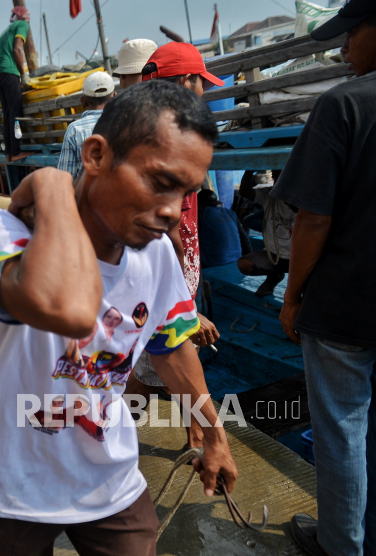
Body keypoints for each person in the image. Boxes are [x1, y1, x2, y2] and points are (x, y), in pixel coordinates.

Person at [0, 81, 237, 556]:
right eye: (160, 182)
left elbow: (171, 348)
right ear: (96, 156)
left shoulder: (157, 254)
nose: (171, 212)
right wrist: (53, 184)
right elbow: (66, 309)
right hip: (6, 485)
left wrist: (214, 435)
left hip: (108, 476)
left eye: (184, 192)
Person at [270, 3, 376, 554]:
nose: (343, 49)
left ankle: (341, 545)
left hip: (345, 308)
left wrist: (292, 296)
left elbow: (312, 217)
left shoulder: (344, 104)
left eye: (352, 33)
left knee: (340, 436)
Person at [127, 43, 224, 437]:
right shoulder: (169, 143)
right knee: (163, 368)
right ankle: (104, 445)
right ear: (186, 81)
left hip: (170, 284)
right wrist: (183, 306)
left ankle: (196, 440)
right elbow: (161, 231)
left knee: (156, 370)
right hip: (164, 285)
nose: (204, 93)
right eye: (201, 84)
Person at [57, 71, 115, 180]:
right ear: (114, 96)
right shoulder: (125, 122)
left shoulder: (74, 129)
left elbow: (66, 178)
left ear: (83, 100)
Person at [0, 6, 32, 162]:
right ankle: (15, 152)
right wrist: (24, 74)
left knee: (8, 114)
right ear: (23, 17)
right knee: (15, 113)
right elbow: (17, 49)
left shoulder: (6, 31)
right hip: (10, 74)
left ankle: (10, 152)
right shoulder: (22, 25)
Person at [198, 189, 251, 268]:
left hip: (214, 262)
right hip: (236, 259)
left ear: (199, 203)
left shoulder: (200, 214)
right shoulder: (230, 213)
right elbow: (245, 240)